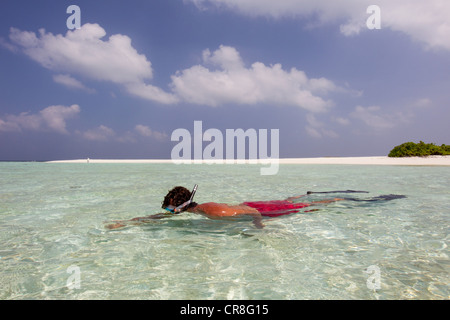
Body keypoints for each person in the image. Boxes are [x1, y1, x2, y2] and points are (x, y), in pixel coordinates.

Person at [105, 185, 343, 230]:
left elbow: (253, 213)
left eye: (169, 210)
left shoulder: (210, 211)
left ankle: (334, 200)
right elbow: (158, 217)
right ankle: (303, 195)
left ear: (179, 207)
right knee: (290, 201)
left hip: (258, 209)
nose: (167, 213)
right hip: (248, 205)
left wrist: (259, 228)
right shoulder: (193, 211)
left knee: (301, 208)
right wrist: (126, 223)